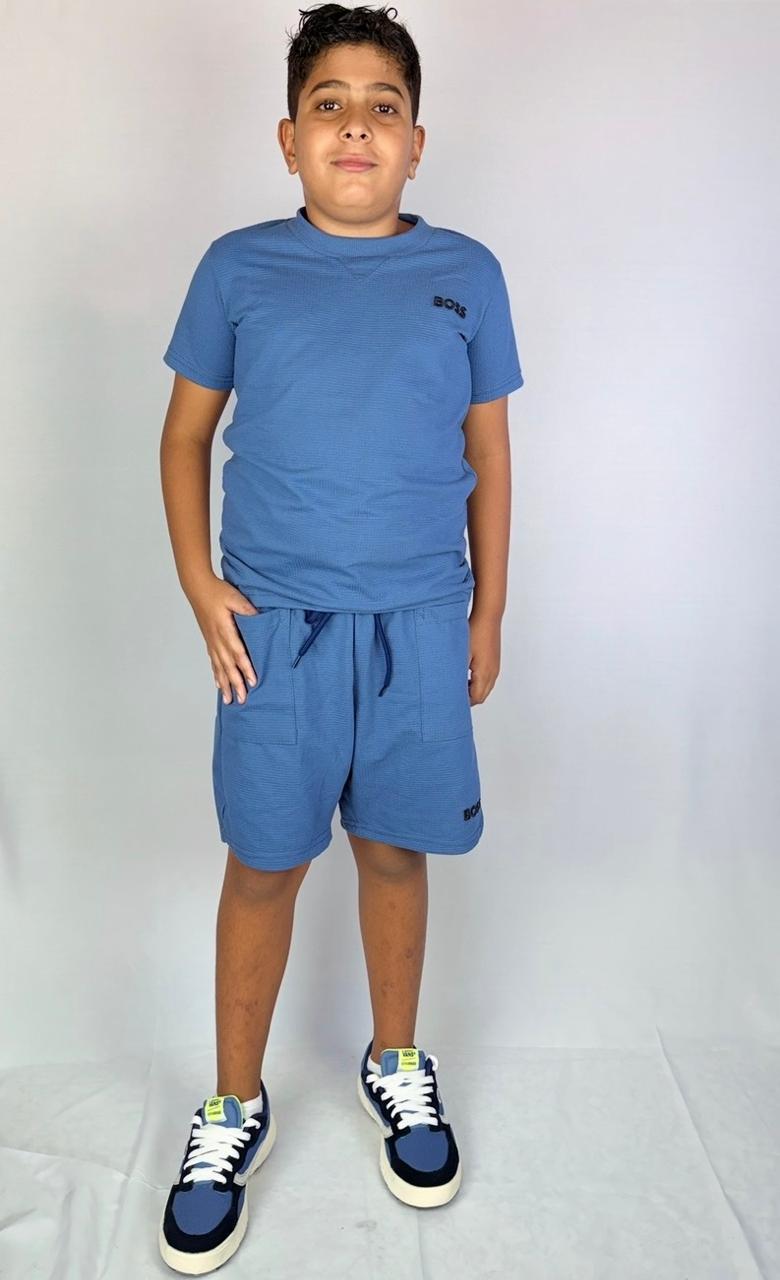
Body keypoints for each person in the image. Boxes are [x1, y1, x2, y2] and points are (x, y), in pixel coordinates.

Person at [157, 3, 524, 1271]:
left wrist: (486, 609)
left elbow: (489, 452)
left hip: (419, 625)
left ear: (416, 141)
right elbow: (185, 435)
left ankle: (395, 1057)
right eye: (330, 104)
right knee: (264, 861)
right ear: (288, 137)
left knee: (393, 849)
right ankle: (233, 1102)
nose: (355, 126)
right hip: (275, 634)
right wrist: (202, 585)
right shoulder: (237, 269)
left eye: (382, 106)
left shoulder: (468, 274)